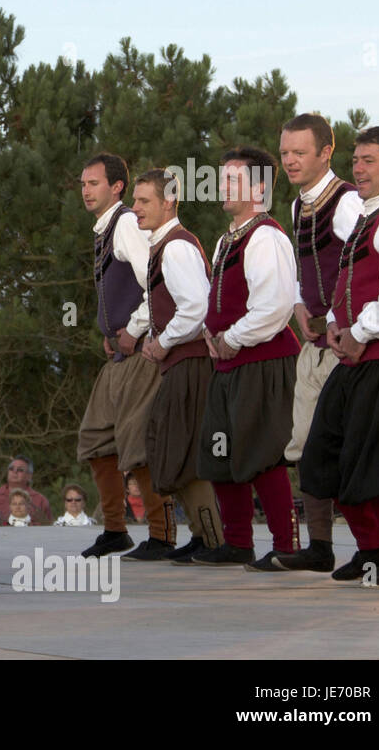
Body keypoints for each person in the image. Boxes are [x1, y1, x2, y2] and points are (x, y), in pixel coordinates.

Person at [302, 126, 379, 588]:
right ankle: (373, 552)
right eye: (355, 160)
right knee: (325, 457)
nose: (357, 168)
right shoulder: (369, 216)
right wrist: (335, 323)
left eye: (369, 160)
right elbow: (347, 284)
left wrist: (361, 331)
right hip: (358, 356)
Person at [193, 146, 301, 569]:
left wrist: (233, 338)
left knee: (262, 451)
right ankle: (237, 542)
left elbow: (275, 306)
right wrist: (209, 332)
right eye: (222, 179)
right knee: (220, 451)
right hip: (227, 362)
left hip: (262, 361)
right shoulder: (227, 239)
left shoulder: (267, 237)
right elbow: (217, 300)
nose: (223, 186)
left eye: (233, 180)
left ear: (259, 187)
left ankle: (286, 546)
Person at [270, 114, 362, 572]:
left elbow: (363, 267)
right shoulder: (296, 206)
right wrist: (303, 311)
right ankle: (320, 547)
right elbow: (308, 275)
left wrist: (343, 321)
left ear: (326, 152)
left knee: (347, 446)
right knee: (305, 446)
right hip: (314, 345)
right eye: (285, 152)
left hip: (347, 345)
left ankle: (373, 548)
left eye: (299, 152)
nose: (290, 160)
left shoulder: (347, 202)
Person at [76, 153, 175, 559]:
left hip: (141, 354)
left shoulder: (127, 225)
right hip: (117, 355)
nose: (85, 190)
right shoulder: (106, 229)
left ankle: (162, 535)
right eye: (83, 184)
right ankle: (115, 530)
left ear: (117, 187)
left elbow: (155, 282)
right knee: (96, 438)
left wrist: (133, 330)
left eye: (94, 183)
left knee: (137, 443)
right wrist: (110, 332)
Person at [135, 169, 224, 562]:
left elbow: (198, 308)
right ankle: (203, 535)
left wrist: (162, 342)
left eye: (144, 201)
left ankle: (215, 538)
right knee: (176, 448)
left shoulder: (176, 247)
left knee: (187, 449)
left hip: (191, 363)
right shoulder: (163, 246)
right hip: (179, 364)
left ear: (168, 202)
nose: (135, 209)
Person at [0, 456, 53, 525]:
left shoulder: (41, 501)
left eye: (20, 470)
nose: (15, 471)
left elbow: (50, 528)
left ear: (29, 476)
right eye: (11, 469)